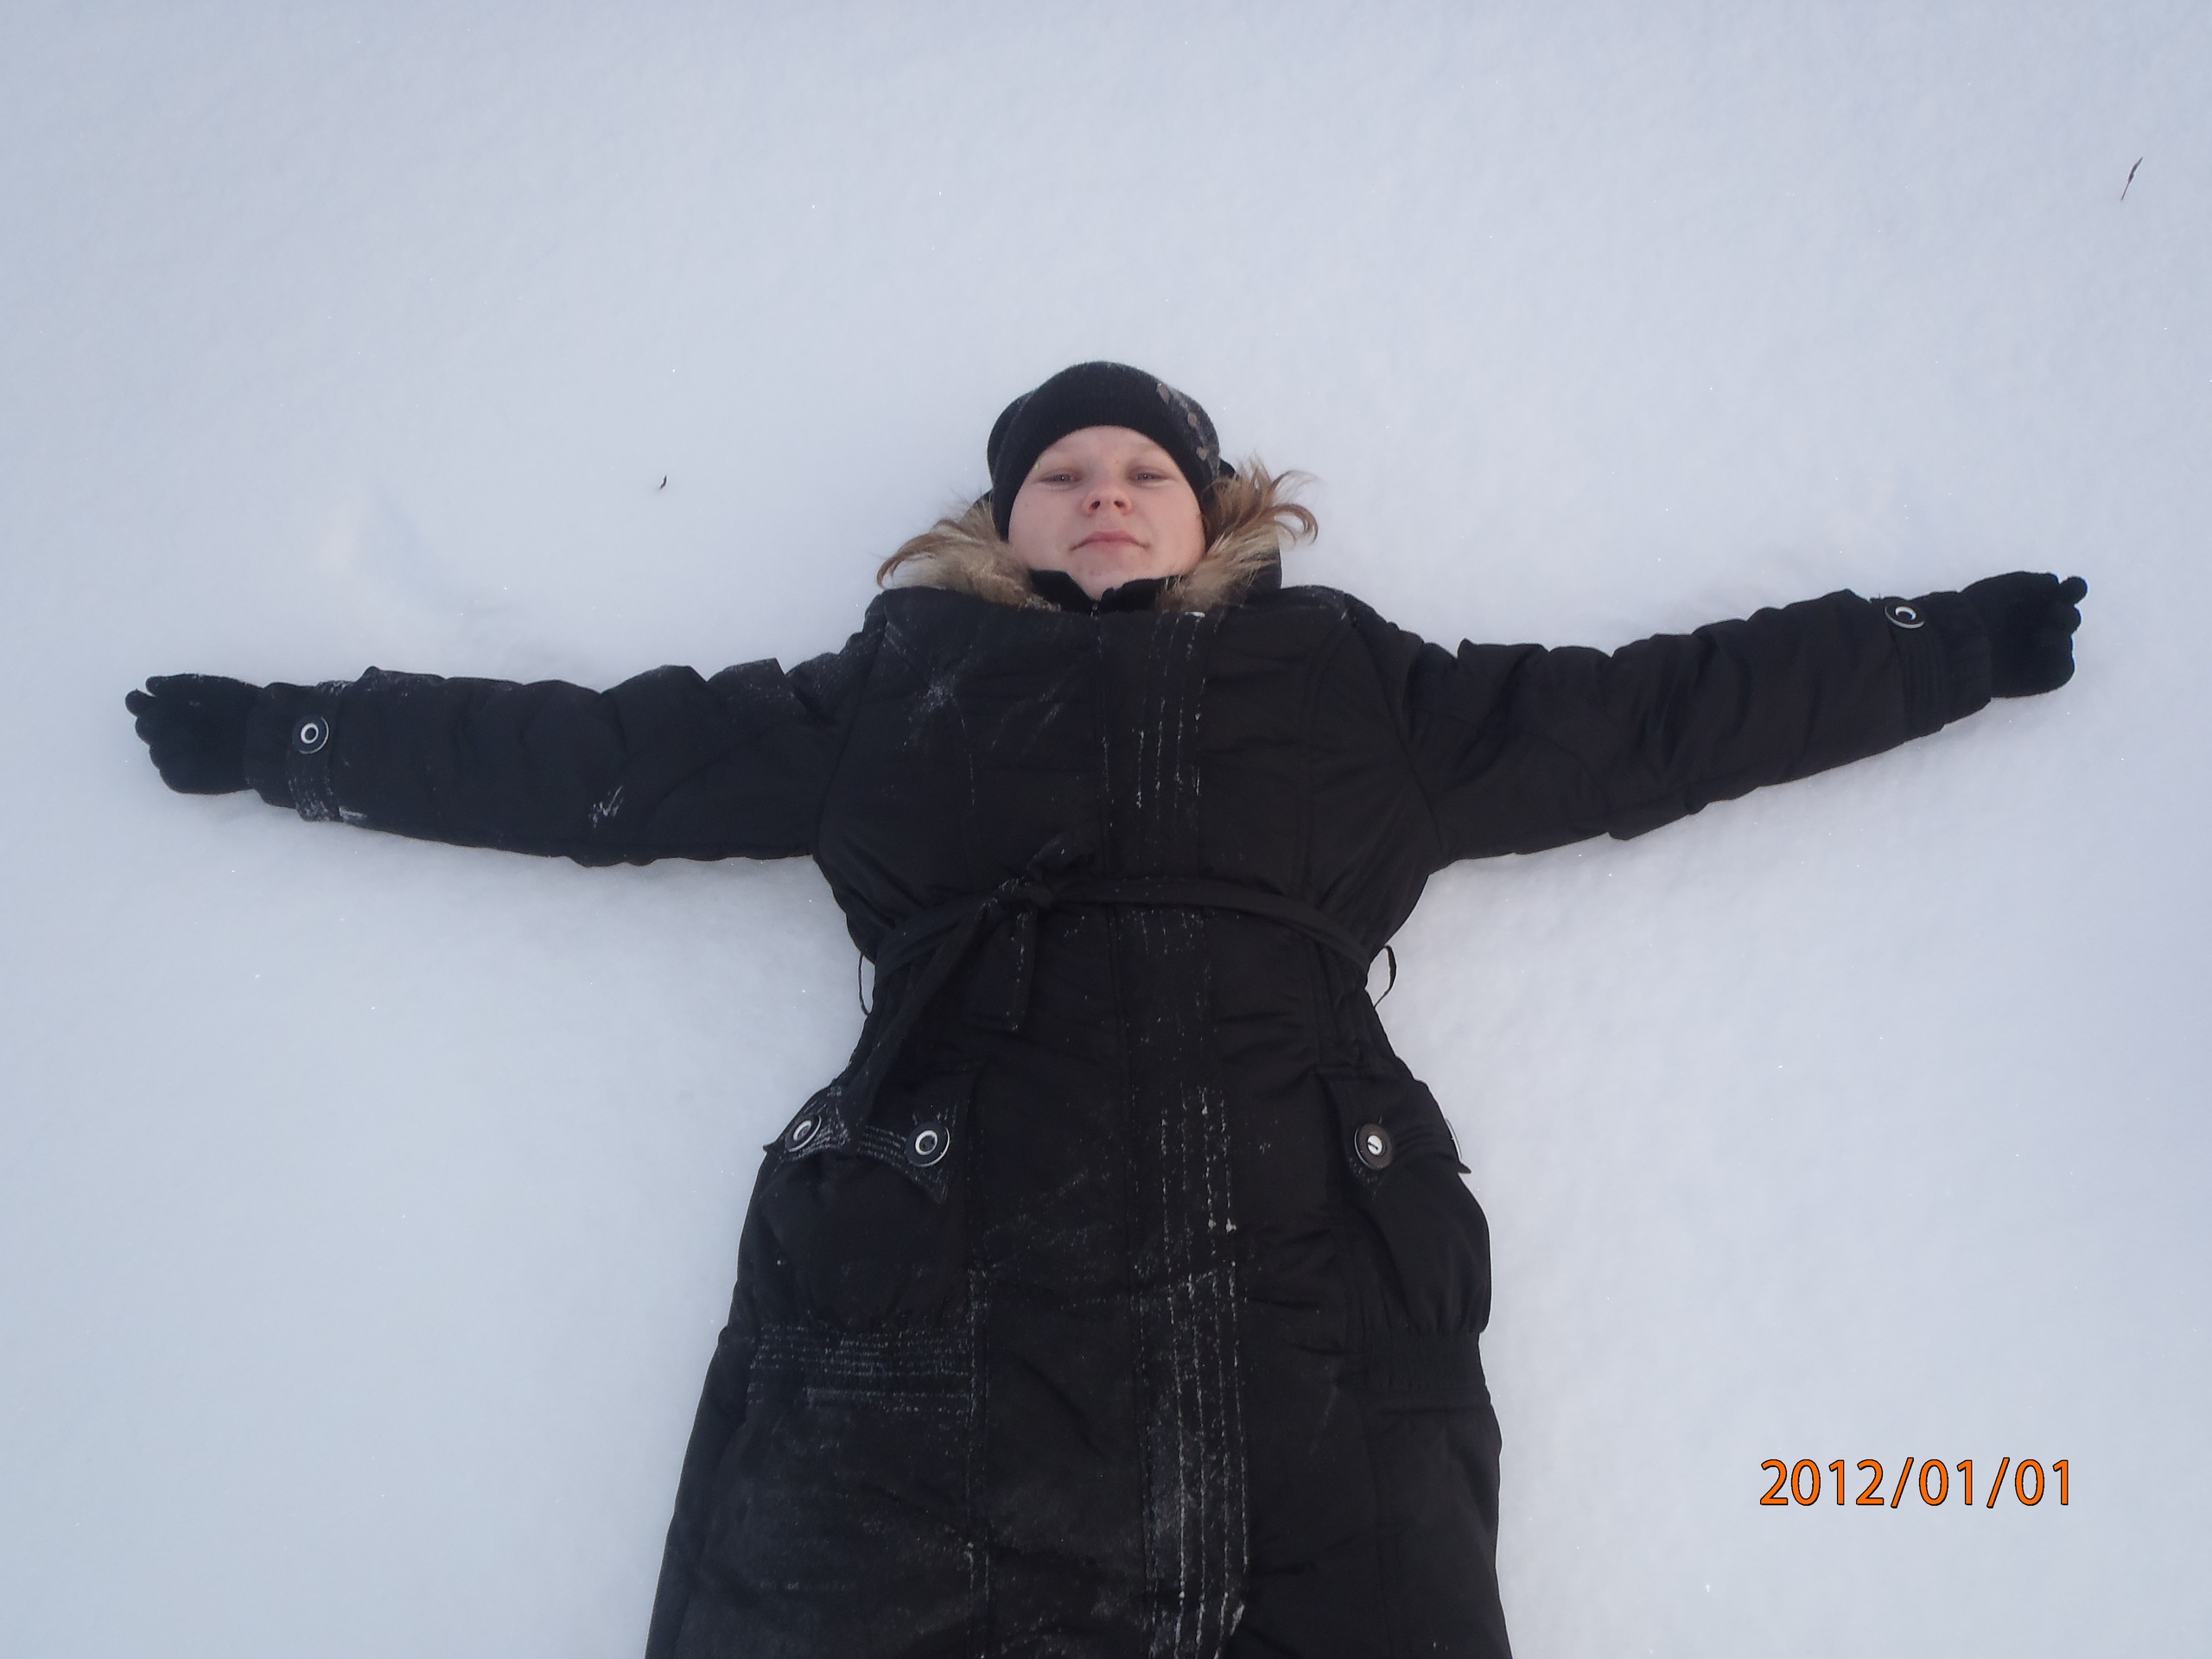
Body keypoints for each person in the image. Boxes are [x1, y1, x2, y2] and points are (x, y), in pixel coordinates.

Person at [128, 362, 2088, 1659]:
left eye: (1144, 470)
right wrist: (300, 739)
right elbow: (599, 764)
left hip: (1306, 1284)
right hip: (935, 1276)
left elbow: (1649, 718)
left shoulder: (1351, 686)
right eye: (1059, 475)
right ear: (1004, 523)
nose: (1101, 495)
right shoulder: (898, 689)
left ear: (1214, 511)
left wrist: (1940, 650)